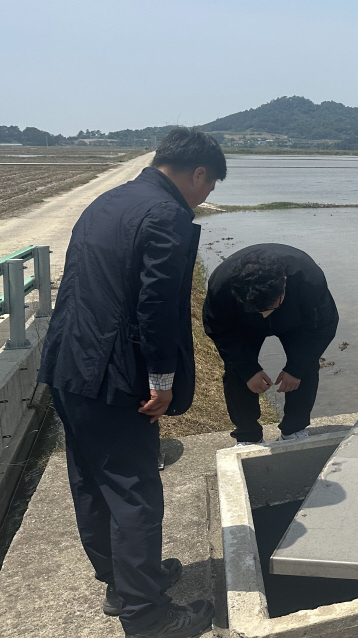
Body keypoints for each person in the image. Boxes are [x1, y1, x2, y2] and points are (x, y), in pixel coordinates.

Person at [38, 128, 225, 638]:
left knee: (92, 481)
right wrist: (161, 379)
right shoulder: (167, 216)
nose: (205, 198)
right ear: (198, 173)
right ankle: (149, 616)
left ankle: (122, 584)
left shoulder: (111, 199)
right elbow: (157, 311)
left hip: (67, 365)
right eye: (208, 189)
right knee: (134, 491)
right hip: (113, 376)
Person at [202, 244, 338, 445]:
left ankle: (294, 429)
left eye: (269, 308)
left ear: (284, 282)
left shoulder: (308, 277)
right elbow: (220, 330)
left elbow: (323, 325)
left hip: (296, 318)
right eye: (259, 311)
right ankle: (247, 435)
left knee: (306, 365)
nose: (265, 315)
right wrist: (248, 370)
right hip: (243, 321)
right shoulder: (222, 285)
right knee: (236, 370)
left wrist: (296, 368)